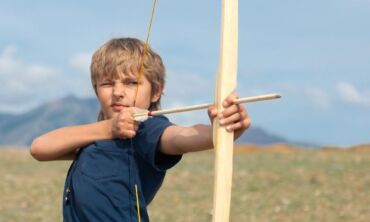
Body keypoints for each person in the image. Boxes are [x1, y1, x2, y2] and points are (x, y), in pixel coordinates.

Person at [30, 38, 251, 222]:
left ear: (156, 92)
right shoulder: (98, 135)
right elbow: (40, 148)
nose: (117, 92)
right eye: (107, 84)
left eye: (131, 83)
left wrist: (221, 129)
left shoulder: (145, 128)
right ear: (96, 90)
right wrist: (109, 129)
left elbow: (178, 138)